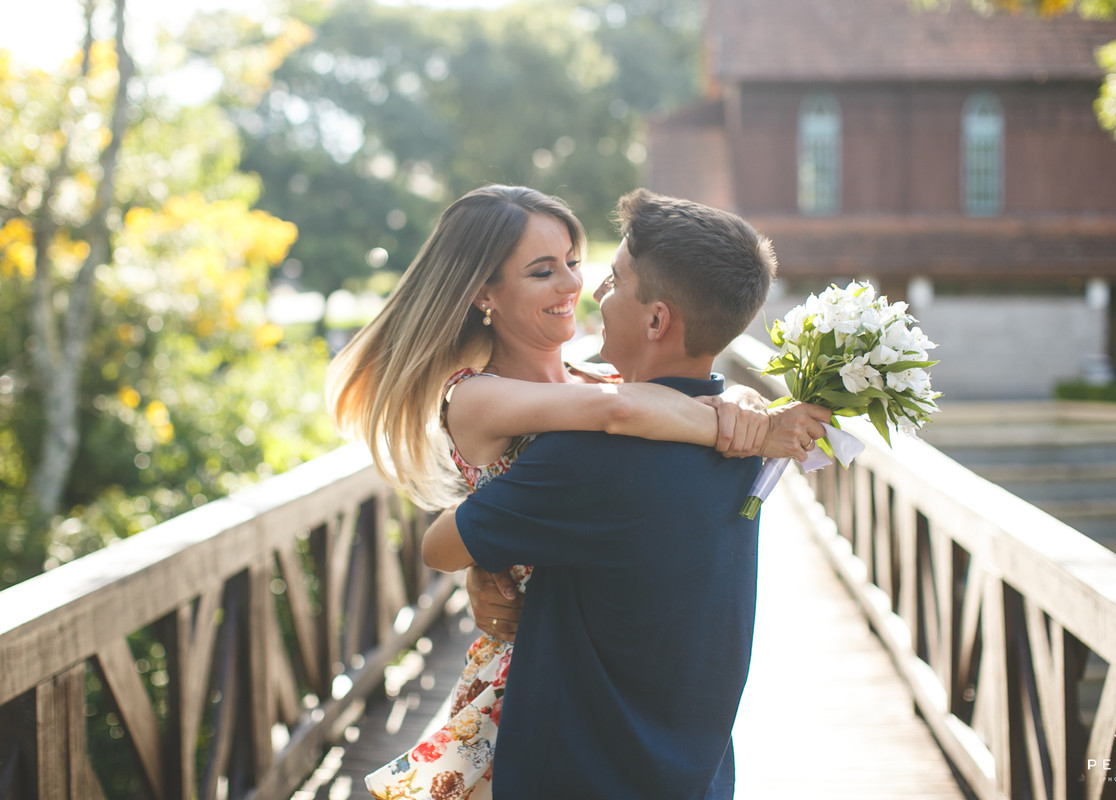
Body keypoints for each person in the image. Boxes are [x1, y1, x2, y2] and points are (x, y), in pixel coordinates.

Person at [325, 185, 828, 800]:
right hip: (533, 672)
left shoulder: (595, 378)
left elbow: (633, 404)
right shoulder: (481, 395)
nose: (575, 285)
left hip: (598, 654)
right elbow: (618, 416)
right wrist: (743, 424)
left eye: (571, 261)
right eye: (543, 271)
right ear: (483, 293)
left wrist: (743, 403)